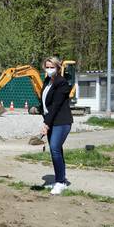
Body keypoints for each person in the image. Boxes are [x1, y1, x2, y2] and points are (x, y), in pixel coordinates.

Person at [39, 56, 73, 195]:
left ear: (58, 68)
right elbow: (45, 102)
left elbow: (56, 105)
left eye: (52, 67)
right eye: (47, 67)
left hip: (62, 121)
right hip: (51, 120)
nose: (49, 69)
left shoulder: (62, 82)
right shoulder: (47, 81)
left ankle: (59, 182)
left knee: (54, 148)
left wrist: (46, 124)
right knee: (57, 150)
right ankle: (61, 179)